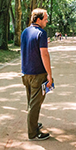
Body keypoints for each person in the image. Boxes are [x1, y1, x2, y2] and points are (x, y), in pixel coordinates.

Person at [21, 8, 53, 140]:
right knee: (36, 103)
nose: (46, 21)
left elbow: (30, 47)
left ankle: (33, 124)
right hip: (38, 73)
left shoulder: (25, 31)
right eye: (45, 19)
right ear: (38, 19)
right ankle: (33, 132)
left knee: (31, 101)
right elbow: (44, 54)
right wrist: (49, 74)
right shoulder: (41, 33)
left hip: (26, 72)